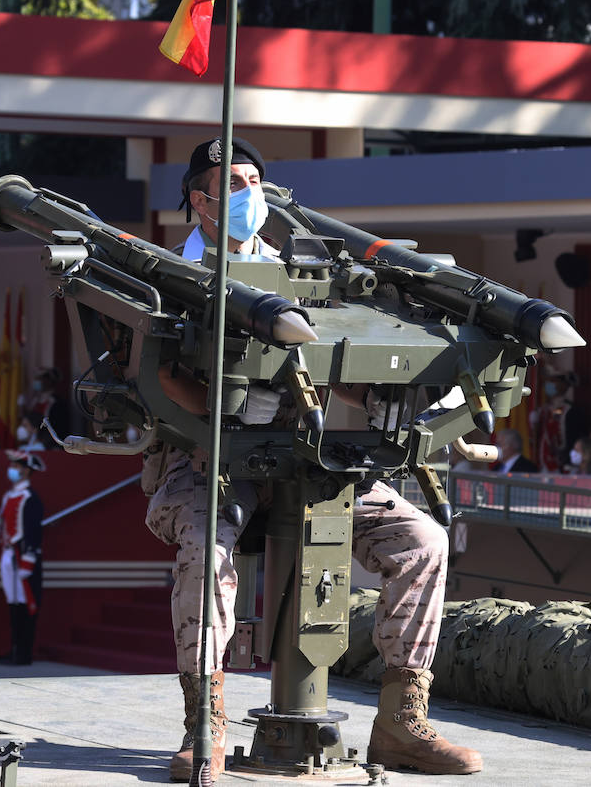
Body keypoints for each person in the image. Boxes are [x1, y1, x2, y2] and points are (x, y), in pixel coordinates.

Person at [145, 137, 481, 781]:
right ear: (199, 199)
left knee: (424, 542)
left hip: (308, 459)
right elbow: (158, 375)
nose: (250, 195)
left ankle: (400, 723)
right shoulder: (169, 275)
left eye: (254, 180)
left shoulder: (302, 269)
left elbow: (335, 361)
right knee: (206, 553)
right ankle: (204, 724)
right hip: (214, 459)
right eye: (233, 183)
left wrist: (396, 386)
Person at [0, 449, 45, 665]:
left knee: (25, 604)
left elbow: (32, 532)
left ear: (26, 471)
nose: (11, 469)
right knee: (12, 603)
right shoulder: (9, 495)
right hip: (8, 555)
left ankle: (23, 652)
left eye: (16, 466)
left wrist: (28, 561)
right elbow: (3, 523)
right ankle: (14, 649)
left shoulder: (29, 498)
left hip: (22, 558)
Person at [531, 370, 588, 472]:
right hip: (544, 463)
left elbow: (572, 440)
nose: (549, 384)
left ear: (564, 385)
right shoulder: (544, 409)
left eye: (553, 381)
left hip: (562, 465)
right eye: (549, 381)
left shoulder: (571, 410)